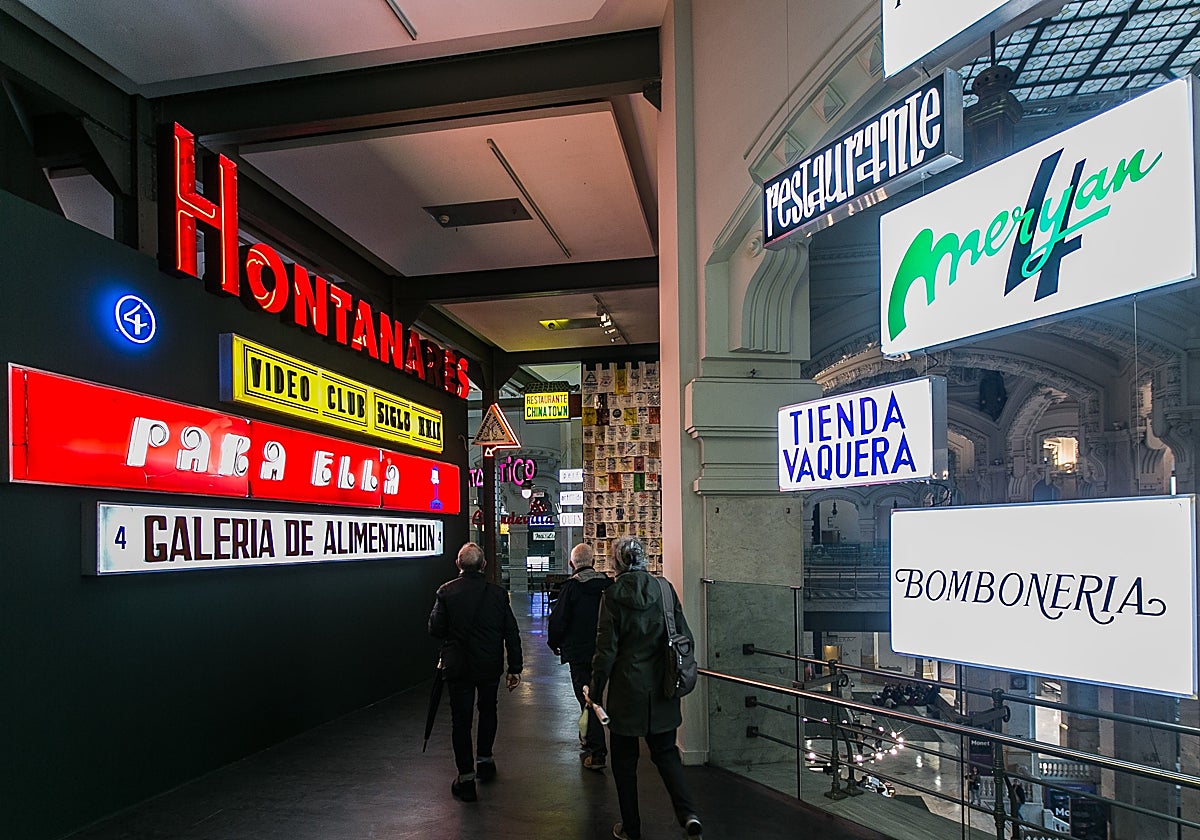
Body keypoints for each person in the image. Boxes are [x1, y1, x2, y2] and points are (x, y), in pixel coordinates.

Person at [590, 536, 702, 840]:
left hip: (627, 690)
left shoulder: (612, 595)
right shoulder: (665, 590)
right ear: (645, 558)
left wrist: (596, 688)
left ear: (616, 561)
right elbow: (684, 635)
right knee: (666, 753)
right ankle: (689, 814)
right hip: (663, 686)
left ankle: (631, 827)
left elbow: (606, 650)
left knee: (624, 762)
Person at [428, 542, 522, 803]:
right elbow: (511, 632)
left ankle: (466, 778)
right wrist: (515, 667)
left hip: (458, 667)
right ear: (483, 565)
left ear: (458, 565)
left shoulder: (445, 593)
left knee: (461, 720)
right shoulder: (497, 594)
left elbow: (435, 629)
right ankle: (485, 761)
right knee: (488, 709)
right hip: (489, 665)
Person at [547, 543, 613, 770]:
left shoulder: (571, 589)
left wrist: (554, 644)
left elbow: (558, 621)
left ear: (571, 564)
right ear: (594, 563)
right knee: (598, 699)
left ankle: (596, 752)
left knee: (588, 700)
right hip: (608, 652)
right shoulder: (609, 586)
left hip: (580, 654)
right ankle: (589, 739)